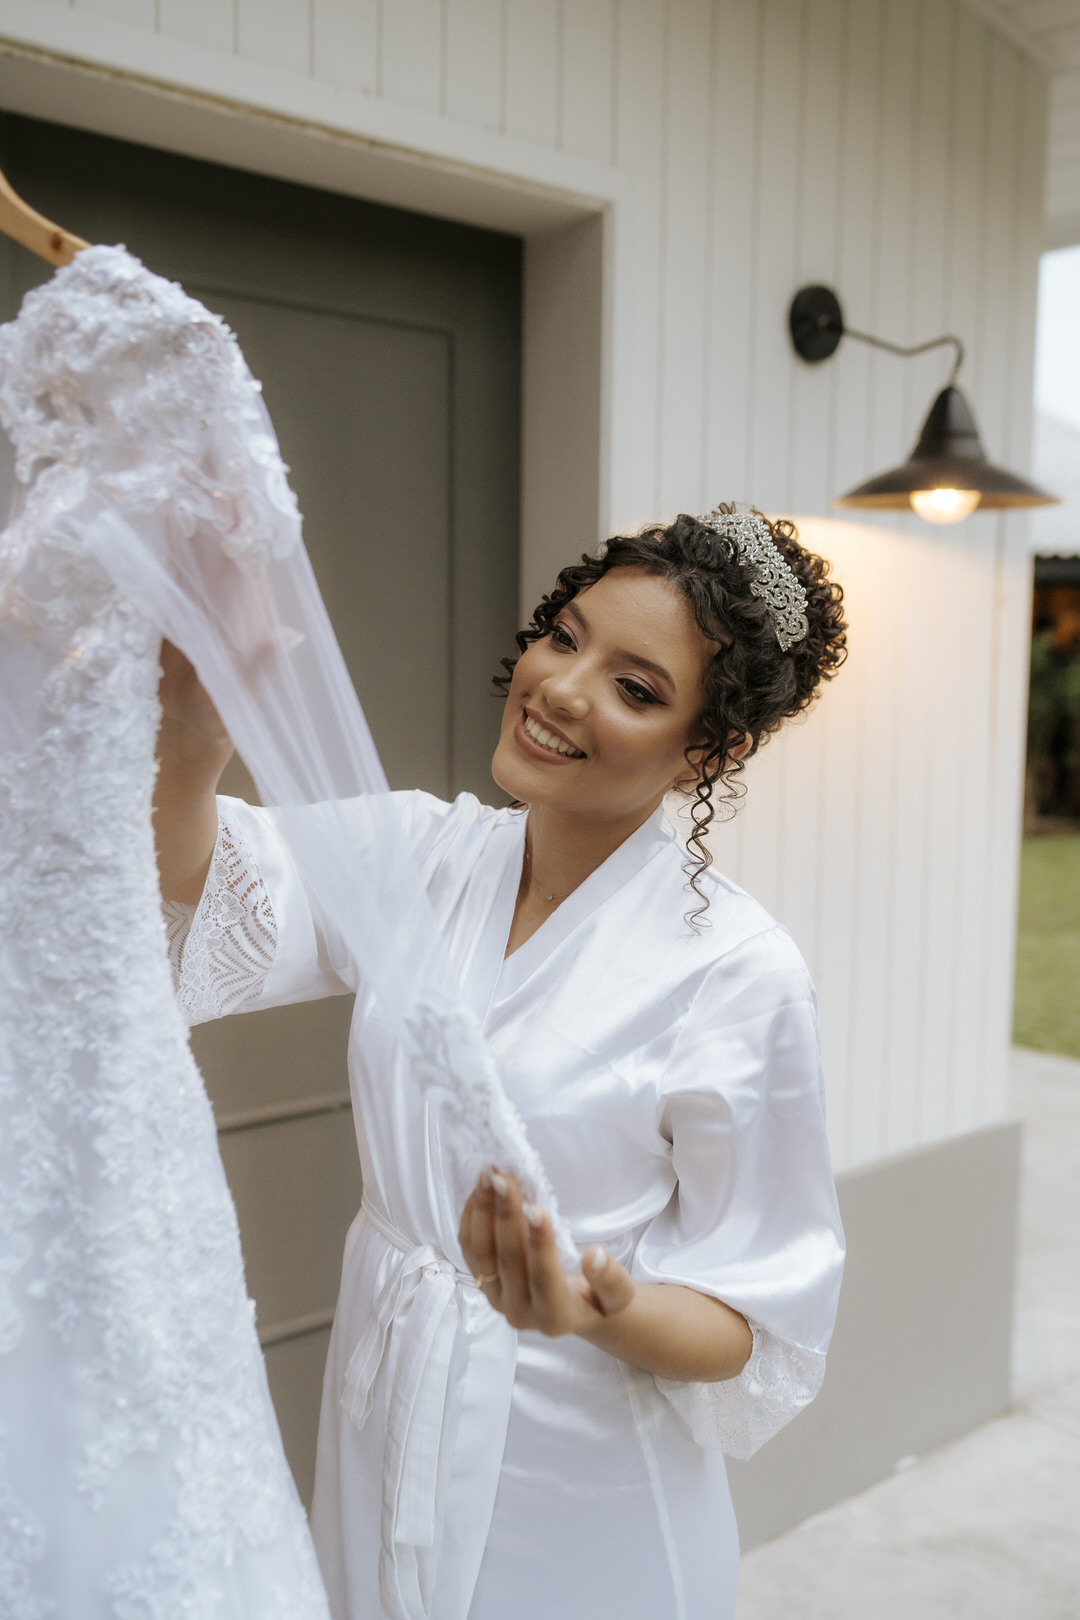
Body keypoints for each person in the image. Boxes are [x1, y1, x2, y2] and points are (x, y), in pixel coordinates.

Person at [155, 506, 848, 1620]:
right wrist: (192, 742)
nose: (564, 689)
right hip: (384, 1385)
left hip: (577, 1464)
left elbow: (751, 1321)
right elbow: (198, 892)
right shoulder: (424, 856)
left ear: (709, 750)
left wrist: (593, 1306)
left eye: (637, 687)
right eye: (564, 636)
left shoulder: (736, 971)